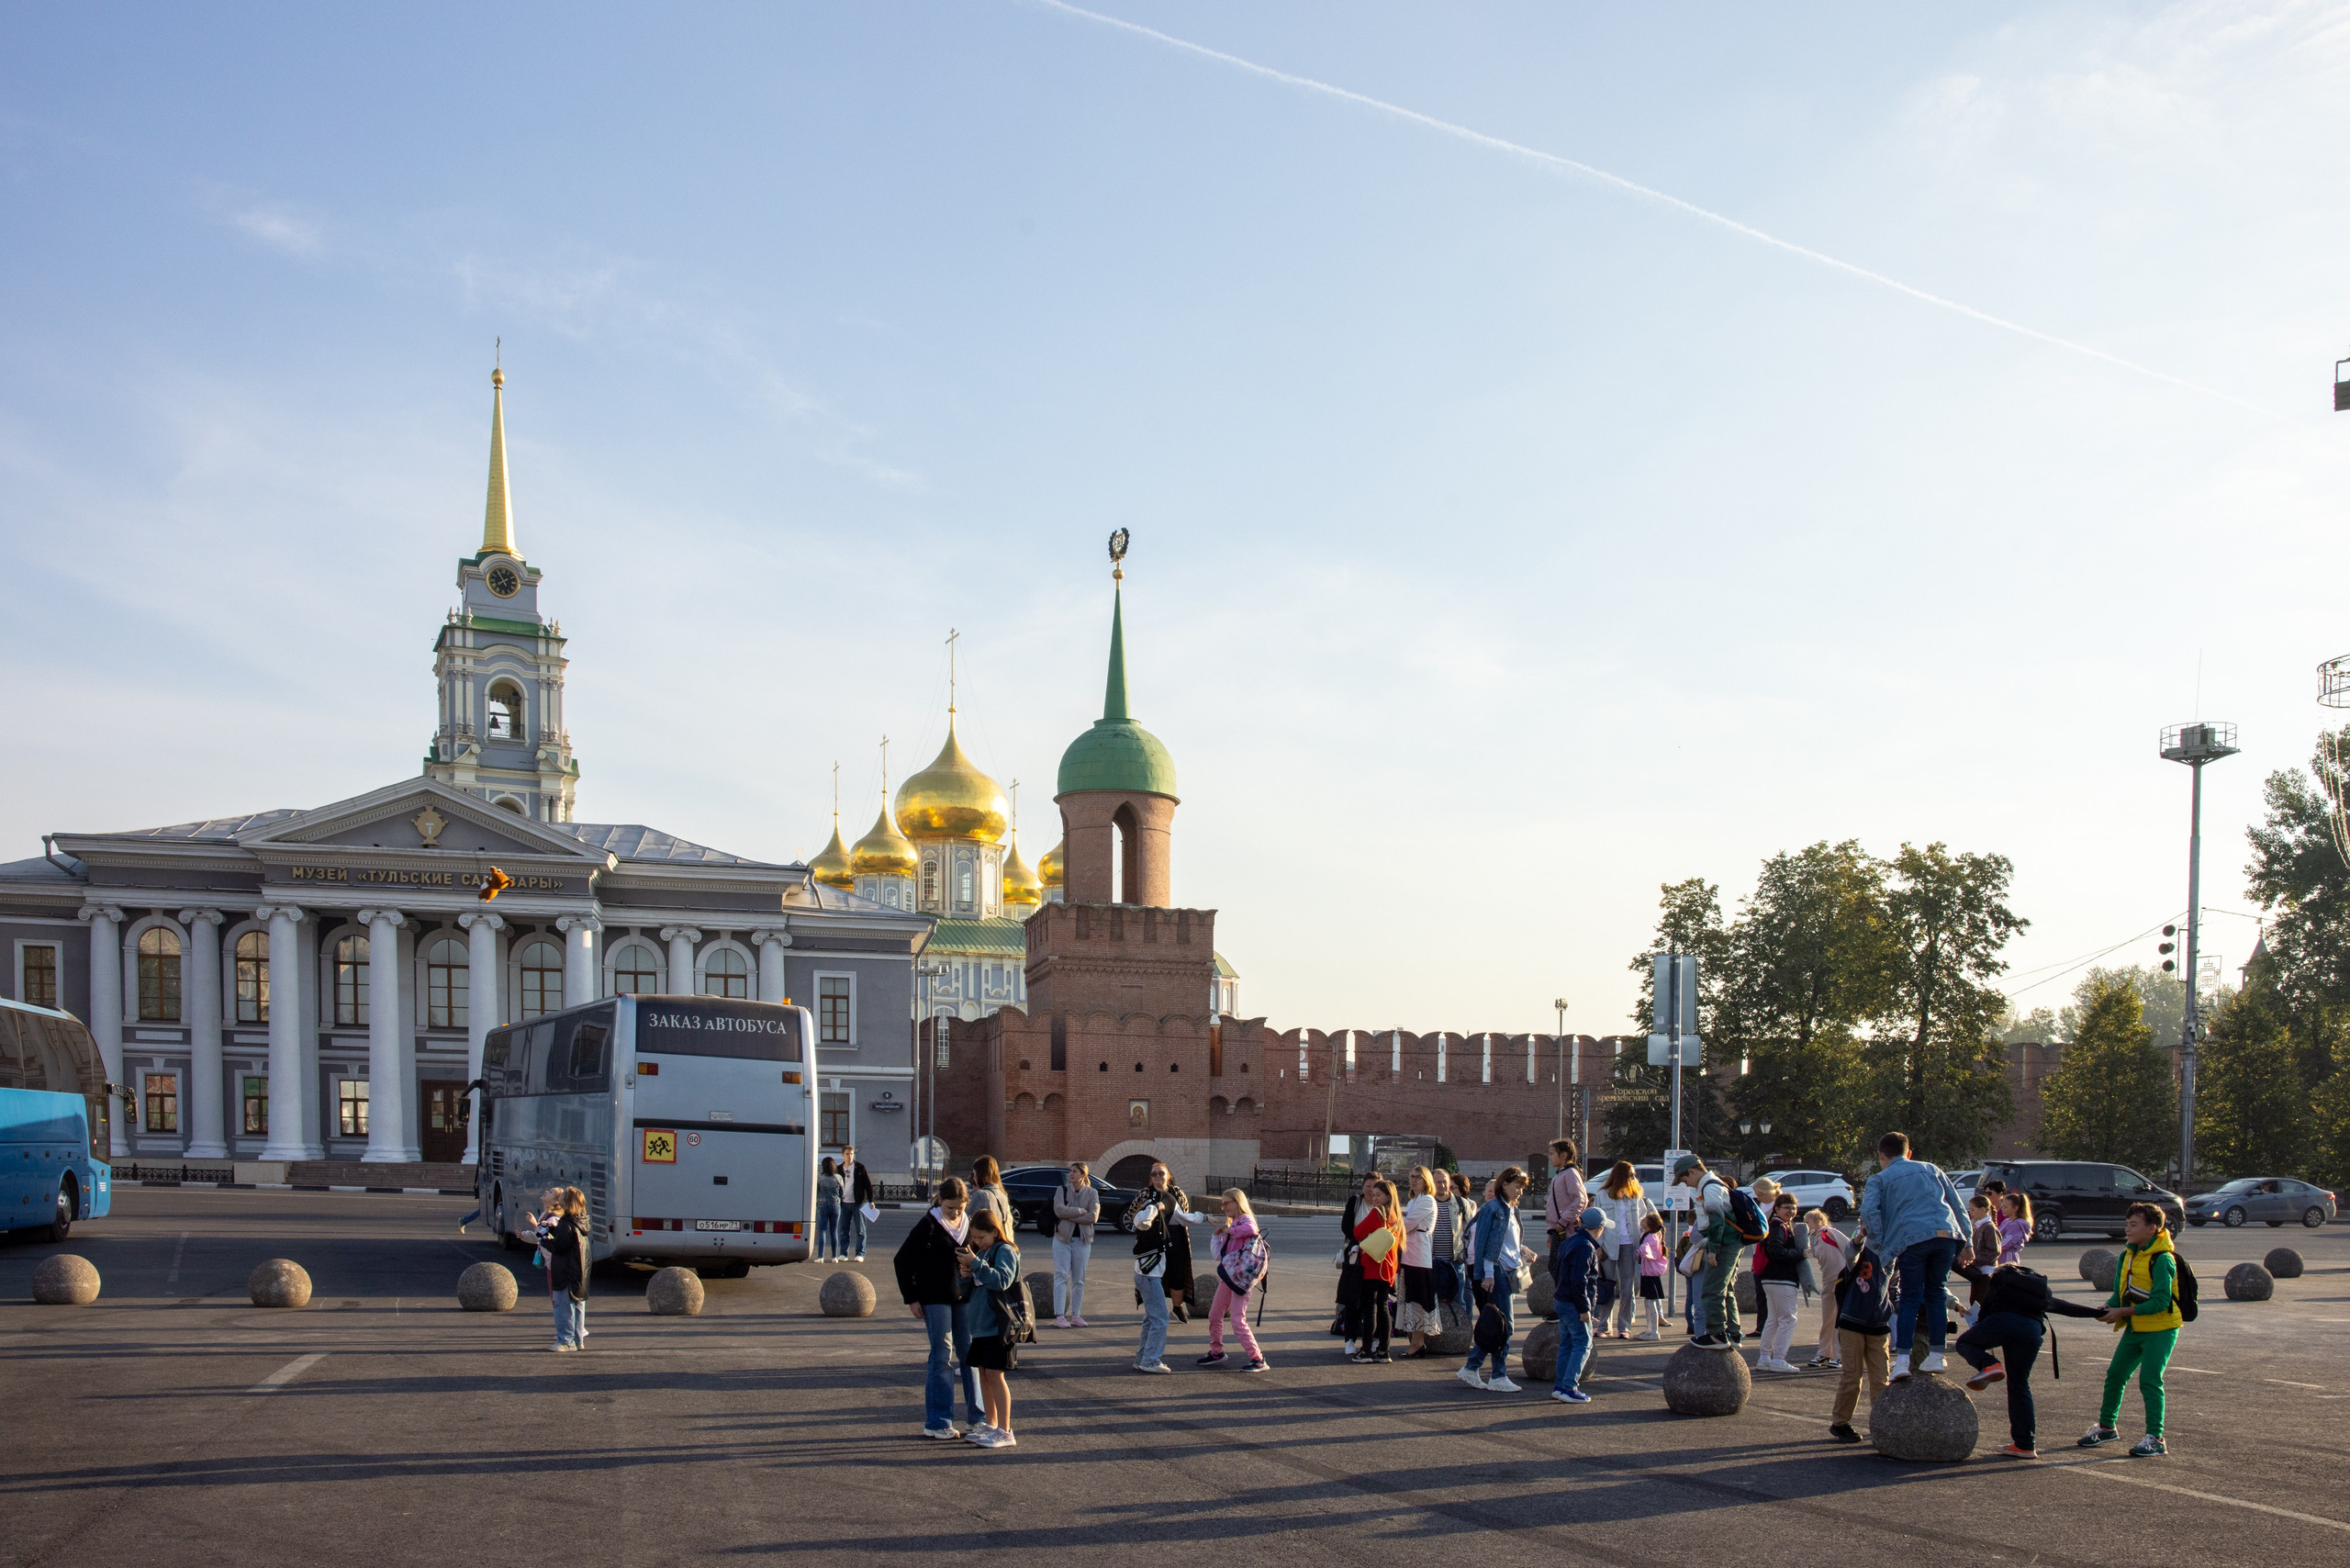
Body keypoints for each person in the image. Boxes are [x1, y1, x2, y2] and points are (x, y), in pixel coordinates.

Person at [1952, 1250, 2106, 1459]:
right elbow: (2065, 1307)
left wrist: (1981, 1330)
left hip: (2002, 1322)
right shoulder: (2035, 1291)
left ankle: (1989, 1365)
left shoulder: (2000, 1281)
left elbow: (1985, 1313)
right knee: (2019, 1384)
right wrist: (2098, 1312)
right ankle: (2024, 1444)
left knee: (1965, 1343)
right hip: (2031, 1331)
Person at [1857, 1131, 1974, 1380]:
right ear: (1909, 1153)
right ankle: (1935, 1355)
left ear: (1881, 1156)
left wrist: (1880, 1242)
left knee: (1910, 1296)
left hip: (1911, 1238)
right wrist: (1968, 1242)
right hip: (1946, 1235)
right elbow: (1957, 1206)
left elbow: (1868, 1211)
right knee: (1936, 1292)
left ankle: (1903, 1361)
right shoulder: (1932, 1169)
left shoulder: (1880, 1178)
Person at [2079, 1203, 2184, 1458]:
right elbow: (2120, 1294)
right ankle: (2106, 1428)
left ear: (2152, 1228)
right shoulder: (2128, 1254)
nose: (2127, 1229)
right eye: (2127, 1224)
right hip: (2135, 1326)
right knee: (2115, 1375)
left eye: (2133, 1225)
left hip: (2161, 1329)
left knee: (2150, 1381)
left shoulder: (2163, 1259)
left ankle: (2156, 1438)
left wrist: (2122, 1313)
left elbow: (2160, 1302)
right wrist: (2108, 1307)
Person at [891, 1175, 984, 1438]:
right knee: (942, 1356)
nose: (955, 1213)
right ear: (940, 1200)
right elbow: (902, 1261)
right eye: (950, 1208)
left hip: (963, 1298)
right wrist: (911, 1298)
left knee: (970, 1355)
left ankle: (977, 1418)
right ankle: (938, 1421)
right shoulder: (929, 1225)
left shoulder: (969, 1224)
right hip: (934, 1298)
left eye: (960, 1208)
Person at [1460, 1166, 1529, 1393]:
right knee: (1504, 1325)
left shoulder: (1509, 1208)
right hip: (1497, 1271)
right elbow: (1484, 1244)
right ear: (1505, 1184)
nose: (1520, 1192)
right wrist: (1487, 1274)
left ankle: (1472, 1366)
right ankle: (1497, 1375)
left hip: (1507, 1270)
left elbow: (1506, 1242)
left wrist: (1522, 1252)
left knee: (1499, 1324)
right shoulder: (1494, 1208)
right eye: (1517, 1186)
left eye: (1522, 1188)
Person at [1129, 1161, 1204, 1373]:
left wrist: (1207, 1217)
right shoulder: (1146, 1203)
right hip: (1148, 1271)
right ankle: (1150, 1361)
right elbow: (1140, 1221)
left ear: (1168, 1176)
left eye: (1161, 1173)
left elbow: (1185, 1217)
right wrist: (1153, 1210)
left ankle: (1142, 1358)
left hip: (1154, 1265)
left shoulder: (1172, 1198)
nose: (1157, 1177)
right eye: (1154, 1174)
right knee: (1160, 1318)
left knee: (1151, 1318)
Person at [958, 1209, 1023, 1449]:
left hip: (998, 1325)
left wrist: (975, 1263)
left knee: (996, 1375)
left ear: (995, 1231)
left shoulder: (1005, 1250)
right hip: (980, 1326)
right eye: (973, 1238)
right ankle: (991, 1423)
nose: (976, 1242)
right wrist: (964, 1274)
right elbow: (966, 1290)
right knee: (984, 1374)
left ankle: (1006, 1431)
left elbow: (1002, 1280)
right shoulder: (983, 1252)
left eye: (981, 1237)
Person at [1826, 1236, 1895, 1443]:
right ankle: (1840, 1422)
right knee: (1852, 1376)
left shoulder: (1894, 1253)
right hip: (1852, 1321)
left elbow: (1896, 1285)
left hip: (1879, 1323)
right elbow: (1850, 1254)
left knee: (1882, 1379)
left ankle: (1882, 1423)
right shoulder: (1861, 1247)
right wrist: (1860, 1237)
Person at [1673, 1155, 1740, 1349]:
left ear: (1692, 1172)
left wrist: (1713, 1250)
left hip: (1724, 1244)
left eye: (1685, 1180)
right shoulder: (1713, 1185)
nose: (1686, 1185)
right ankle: (1733, 1334)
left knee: (1711, 1291)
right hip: (1729, 1242)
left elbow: (1717, 1220)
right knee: (1725, 1290)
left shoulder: (1710, 1187)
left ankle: (1716, 1334)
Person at [1200, 1188, 1269, 1371]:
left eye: (1226, 1203)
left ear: (1237, 1203)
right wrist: (1216, 1236)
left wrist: (1230, 1230)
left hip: (1242, 1279)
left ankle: (1257, 1358)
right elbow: (1219, 1256)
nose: (1223, 1208)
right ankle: (1217, 1351)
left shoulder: (1244, 1220)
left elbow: (1252, 1228)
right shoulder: (1233, 1225)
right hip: (1229, 1277)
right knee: (1214, 1315)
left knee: (1238, 1319)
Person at [519, 1185, 589, 1351]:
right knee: (578, 1305)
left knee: (563, 1306)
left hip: (565, 1271)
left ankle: (566, 1341)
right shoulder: (581, 1221)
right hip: (579, 1271)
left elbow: (558, 1246)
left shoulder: (566, 1224)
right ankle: (578, 1339)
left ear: (566, 1202)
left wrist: (544, 1238)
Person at [1550, 1204, 1606, 1404]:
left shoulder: (1571, 1241)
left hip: (1561, 1299)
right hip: (1574, 1303)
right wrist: (1584, 1308)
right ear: (1598, 1229)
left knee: (1566, 1343)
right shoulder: (1586, 1247)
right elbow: (1580, 1280)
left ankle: (1560, 1386)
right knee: (1583, 1343)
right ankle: (1569, 1387)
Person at [1349, 1177, 1404, 1363]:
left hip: (1373, 1264)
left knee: (1369, 1308)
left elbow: (1357, 1232)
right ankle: (1383, 1350)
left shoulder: (1378, 1213)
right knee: (1383, 1307)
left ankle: (1365, 1350)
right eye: (1373, 1194)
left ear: (1388, 1197)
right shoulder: (1396, 1216)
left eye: (1379, 1195)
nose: (1375, 1198)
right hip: (1388, 1266)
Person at [1752, 1193, 1807, 1372]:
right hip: (1782, 1279)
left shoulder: (1774, 1225)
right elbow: (1776, 1250)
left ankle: (1765, 1357)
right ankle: (1779, 1360)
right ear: (1776, 1208)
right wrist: (1800, 1254)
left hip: (1769, 1279)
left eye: (1793, 1208)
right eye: (1787, 1208)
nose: (1791, 1211)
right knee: (1788, 1320)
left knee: (1773, 1319)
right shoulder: (1778, 1227)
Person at [1598, 1161, 1652, 1338]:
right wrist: (1598, 1246)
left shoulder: (1635, 1195)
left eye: (1633, 1175)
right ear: (1620, 1175)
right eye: (1630, 1175)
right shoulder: (1603, 1195)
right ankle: (1604, 1325)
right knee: (1607, 1285)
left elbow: (1643, 1219)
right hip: (1608, 1245)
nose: (1633, 1178)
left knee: (1627, 1287)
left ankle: (1624, 1326)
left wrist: (1646, 1240)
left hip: (1629, 1244)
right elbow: (1597, 1221)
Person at [1395, 1166, 1441, 1358]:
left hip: (1419, 1257)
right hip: (1409, 1254)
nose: (1413, 1180)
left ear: (1426, 1181)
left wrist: (1389, 1223)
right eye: (1411, 1176)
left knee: (1418, 1301)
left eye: (1418, 1178)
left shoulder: (1427, 1200)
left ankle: (1418, 1342)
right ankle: (1415, 1341)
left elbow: (1407, 1224)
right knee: (1410, 1300)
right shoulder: (1414, 1200)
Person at [1051, 1160, 1099, 1328]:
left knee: (1079, 1279)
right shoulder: (1061, 1190)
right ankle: (1059, 1315)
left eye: (1075, 1172)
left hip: (1083, 1241)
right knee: (1061, 1275)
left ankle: (1076, 1315)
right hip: (1062, 1240)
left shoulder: (1092, 1193)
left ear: (1083, 1175)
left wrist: (1068, 1215)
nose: (1071, 1174)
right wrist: (1079, 1212)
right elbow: (1058, 1210)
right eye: (1070, 1171)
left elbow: (1093, 1217)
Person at [1803, 1209, 1851, 1369]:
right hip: (1829, 1281)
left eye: (1807, 1222)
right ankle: (1824, 1352)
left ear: (1817, 1221)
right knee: (1828, 1318)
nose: (1806, 1226)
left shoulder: (1828, 1232)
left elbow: (1849, 1248)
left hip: (1841, 1279)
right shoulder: (1815, 1239)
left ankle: (1839, 1355)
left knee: (1838, 1319)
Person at [1428, 1168, 1473, 1316]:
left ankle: (1462, 1332)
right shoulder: (1427, 1202)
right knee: (1433, 1299)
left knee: (1459, 1300)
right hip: (1432, 1261)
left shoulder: (1461, 1203)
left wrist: (1463, 1255)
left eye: (1444, 1182)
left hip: (1455, 1260)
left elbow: (1471, 1231)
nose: (1441, 1185)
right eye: (1438, 1182)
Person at [1543, 1139, 1588, 1264]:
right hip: (1558, 1229)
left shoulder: (1570, 1173)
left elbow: (1580, 1200)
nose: (1550, 1157)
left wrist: (1563, 1221)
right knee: (1556, 1265)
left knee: (1558, 1266)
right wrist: (1551, 1231)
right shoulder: (1561, 1174)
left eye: (1552, 1154)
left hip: (1565, 1229)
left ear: (1563, 1155)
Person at [1634, 1211, 1668, 1339]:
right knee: (1648, 1301)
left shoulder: (1651, 1237)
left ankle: (1653, 1331)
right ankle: (1649, 1329)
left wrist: (1639, 1251)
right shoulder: (1652, 1235)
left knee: (1650, 1302)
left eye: (1645, 1220)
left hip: (1650, 1273)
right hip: (1649, 1272)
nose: (1642, 1220)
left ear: (1650, 1225)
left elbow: (1646, 1249)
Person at [838, 1144, 872, 1261]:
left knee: (861, 1230)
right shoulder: (838, 1169)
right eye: (847, 1154)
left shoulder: (860, 1168)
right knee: (844, 1230)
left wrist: (871, 1200)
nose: (849, 1156)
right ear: (843, 1155)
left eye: (851, 1154)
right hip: (844, 1204)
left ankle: (860, 1254)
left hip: (858, 1203)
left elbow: (868, 1185)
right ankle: (843, 1253)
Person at [968, 1156, 1013, 1236]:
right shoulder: (1003, 1195)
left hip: (981, 1243)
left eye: (974, 1174)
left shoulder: (980, 1195)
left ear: (980, 1175)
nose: (973, 1177)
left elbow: (967, 1223)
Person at [815, 1157, 845, 1262]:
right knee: (834, 1231)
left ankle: (820, 1257)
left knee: (822, 1230)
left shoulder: (820, 1177)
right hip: (835, 1205)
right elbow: (843, 1193)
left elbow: (816, 1192)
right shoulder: (838, 1178)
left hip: (822, 1204)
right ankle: (834, 1257)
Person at [1998, 1191, 2032, 1266]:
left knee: (2006, 1276)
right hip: (2000, 1255)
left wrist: (1993, 1249)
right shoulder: (2006, 1221)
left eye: (2006, 1207)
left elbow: (2007, 1241)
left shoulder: (2017, 1224)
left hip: (2008, 1257)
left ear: (2015, 1208)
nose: (2002, 1209)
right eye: (2002, 1206)